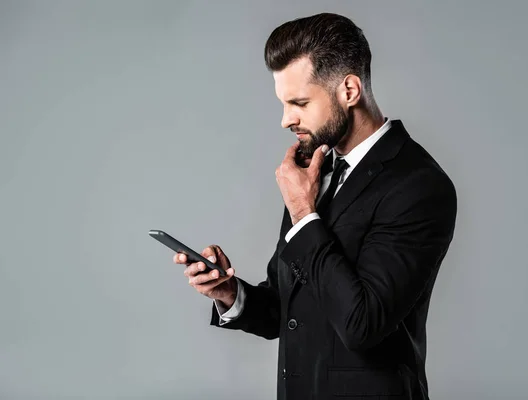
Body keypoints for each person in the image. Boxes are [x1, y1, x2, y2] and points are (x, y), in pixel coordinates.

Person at [174, 12, 457, 400]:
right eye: (283, 103)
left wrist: (304, 214)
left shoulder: (419, 185)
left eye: (300, 102)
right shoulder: (313, 172)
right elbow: (284, 310)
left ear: (349, 91)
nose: (285, 119)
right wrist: (229, 292)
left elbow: (363, 324)